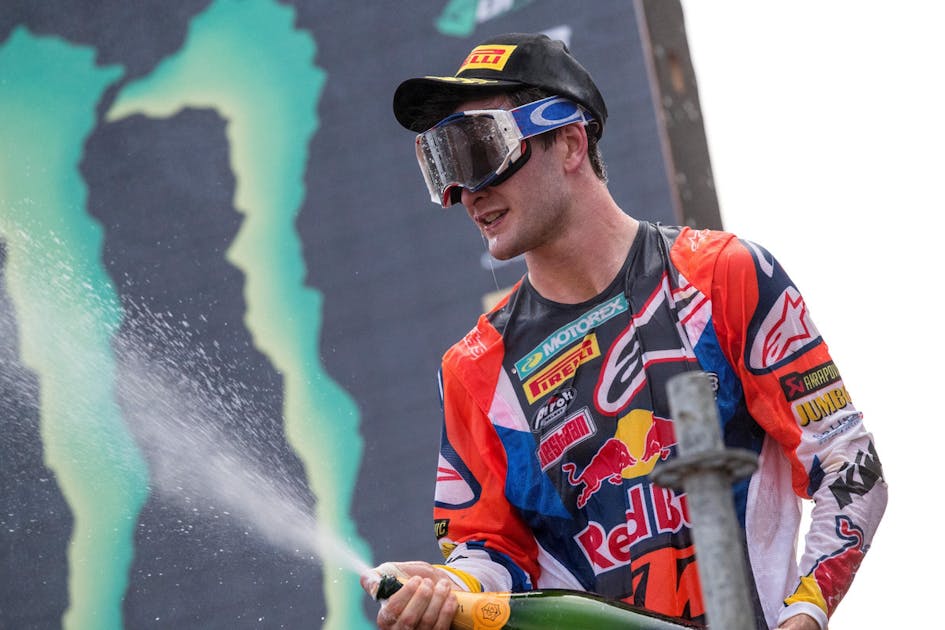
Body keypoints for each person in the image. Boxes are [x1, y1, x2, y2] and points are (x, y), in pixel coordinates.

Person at [361, 32, 887, 630]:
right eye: (444, 164)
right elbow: (492, 554)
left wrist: (805, 614)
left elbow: (849, 462)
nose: (466, 192)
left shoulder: (724, 276)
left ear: (569, 142)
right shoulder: (473, 368)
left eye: (480, 150)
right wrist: (449, 585)